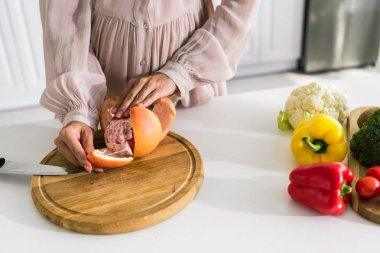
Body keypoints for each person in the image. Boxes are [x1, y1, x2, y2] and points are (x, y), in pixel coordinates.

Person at [39, 0, 259, 172]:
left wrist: (180, 73)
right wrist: (80, 107)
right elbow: (64, 17)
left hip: (192, 91)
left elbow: (242, 4)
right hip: (104, 100)